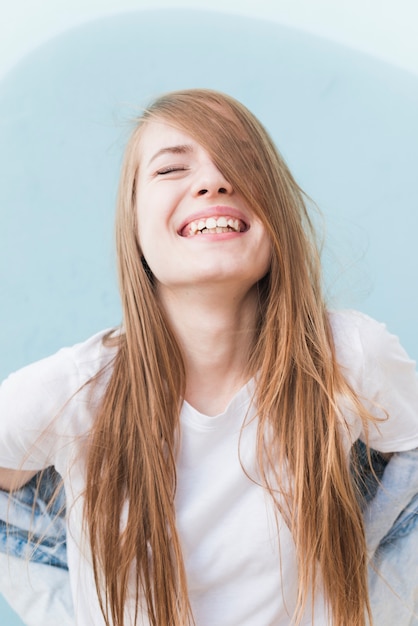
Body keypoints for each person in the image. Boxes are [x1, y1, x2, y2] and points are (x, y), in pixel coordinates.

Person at [0, 88, 417, 626]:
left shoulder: (349, 359)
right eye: (172, 169)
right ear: (133, 223)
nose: (214, 181)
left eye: (240, 163)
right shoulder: (76, 394)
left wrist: (380, 600)